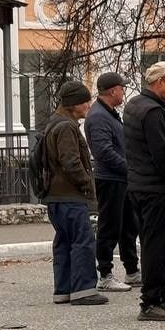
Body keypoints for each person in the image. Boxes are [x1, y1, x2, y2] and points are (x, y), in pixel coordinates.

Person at [124, 61, 165, 321]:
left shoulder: (135, 105)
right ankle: (150, 301)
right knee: (156, 245)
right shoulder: (153, 112)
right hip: (154, 187)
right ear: (159, 82)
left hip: (140, 184)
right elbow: (162, 153)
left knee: (155, 243)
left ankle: (162, 293)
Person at [44, 81, 108, 305]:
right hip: (70, 195)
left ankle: (63, 290)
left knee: (64, 241)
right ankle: (83, 290)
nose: (88, 105)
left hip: (56, 196)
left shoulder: (54, 123)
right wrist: (87, 184)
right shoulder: (66, 127)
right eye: (84, 101)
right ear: (73, 105)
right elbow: (71, 162)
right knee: (83, 240)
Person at [85, 71, 139, 292]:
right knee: (110, 226)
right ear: (113, 90)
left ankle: (132, 271)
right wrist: (130, 169)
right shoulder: (98, 116)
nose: (124, 92)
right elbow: (104, 152)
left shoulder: (110, 113)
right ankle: (105, 274)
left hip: (121, 178)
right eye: (122, 88)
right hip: (110, 179)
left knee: (128, 226)